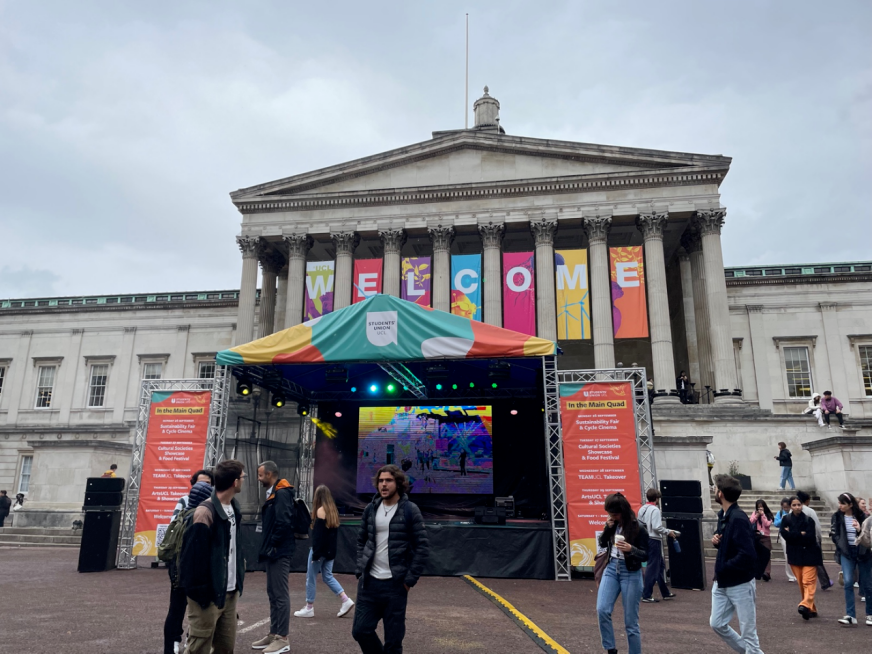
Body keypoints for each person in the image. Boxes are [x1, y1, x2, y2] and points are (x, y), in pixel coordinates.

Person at [352, 464, 430, 654]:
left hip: (395, 585)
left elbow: (422, 547)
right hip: (369, 584)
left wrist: (409, 580)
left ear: (398, 483)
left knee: (393, 642)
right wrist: (361, 569)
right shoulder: (370, 509)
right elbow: (361, 540)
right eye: (380, 481)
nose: (384, 485)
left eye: (388, 480)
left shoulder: (410, 510)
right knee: (360, 631)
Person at [178, 459, 245, 654]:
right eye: (242, 477)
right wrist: (201, 593)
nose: (243, 480)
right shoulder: (204, 512)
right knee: (199, 647)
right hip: (207, 595)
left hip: (229, 592)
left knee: (226, 647)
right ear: (235, 482)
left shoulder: (234, 507)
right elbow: (191, 559)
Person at [709, 474, 763, 654]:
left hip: (740, 583)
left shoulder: (738, 517)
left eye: (716, 488)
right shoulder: (724, 515)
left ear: (721, 494)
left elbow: (748, 554)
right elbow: (731, 545)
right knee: (716, 623)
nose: (714, 491)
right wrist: (717, 541)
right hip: (722, 580)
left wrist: (724, 566)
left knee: (748, 633)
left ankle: (751, 651)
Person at [164, 471, 213, 654]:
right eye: (201, 483)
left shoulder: (212, 506)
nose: (204, 487)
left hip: (193, 565)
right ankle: (172, 644)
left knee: (198, 610)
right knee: (177, 608)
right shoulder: (185, 502)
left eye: (208, 483)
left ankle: (190, 640)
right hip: (181, 564)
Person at [251, 461, 295, 654]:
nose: (259, 479)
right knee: (273, 592)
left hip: (279, 551)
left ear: (269, 475)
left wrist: (273, 545)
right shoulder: (275, 493)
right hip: (273, 550)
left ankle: (282, 638)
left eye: (260, 475)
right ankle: (274, 633)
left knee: (280, 594)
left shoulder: (282, 493)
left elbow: (283, 522)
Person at [596, 493, 648, 654]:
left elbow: (646, 555)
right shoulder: (612, 524)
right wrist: (607, 528)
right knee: (602, 609)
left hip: (630, 572)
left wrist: (631, 549)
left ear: (622, 512)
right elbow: (602, 543)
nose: (612, 517)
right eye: (609, 514)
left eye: (614, 514)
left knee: (631, 622)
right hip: (612, 568)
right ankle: (610, 649)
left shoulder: (638, 527)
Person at [295, 485, 355, 619]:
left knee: (311, 577)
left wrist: (315, 555)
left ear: (318, 497)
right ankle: (345, 599)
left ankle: (309, 607)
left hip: (319, 551)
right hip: (330, 551)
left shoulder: (320, 511)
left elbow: (318, 536)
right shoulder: (333, 511)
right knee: (327, 576)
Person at [829, 492, 872, 626]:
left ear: (850, 504)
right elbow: (835, 534)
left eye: (843, 503)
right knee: (848, 582)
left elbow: (867, 536)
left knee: (867, 584)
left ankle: (870, 614)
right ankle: (850, 615)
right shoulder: (837, 517)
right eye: (839, 503)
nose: (840, 506)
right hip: (847, 552)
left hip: (863, 551)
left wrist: (859, 530)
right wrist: (841, 545)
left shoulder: (862, 516)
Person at [780, 496, 823, 620]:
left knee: (808, 581)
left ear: (802, 505)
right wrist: (800, 534)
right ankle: (811, 608)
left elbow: (810, 537)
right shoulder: (786, 519)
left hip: (810, 554)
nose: (797, 507)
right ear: (790, 506)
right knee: (801, 583)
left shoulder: (809, 520)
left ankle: (804, 604)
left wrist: (792, 534)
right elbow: (785, 535)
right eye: (794, 505)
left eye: (799, 505)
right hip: (794, 554)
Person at [637, 488, 676, 603]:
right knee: (653, 566)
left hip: (645, 538)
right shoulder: (655, 510)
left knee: (659, 565)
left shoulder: (642, 509)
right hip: (654, 539)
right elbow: (656, 527)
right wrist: (668, 531)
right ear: (656, 498)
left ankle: (665, 592)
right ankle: (646, 594)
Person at [797, 490, 833, 590]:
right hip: (811, 539)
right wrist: (819, 538)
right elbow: (817, 527)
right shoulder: (810, 511)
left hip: (799, 540)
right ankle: (824, 582)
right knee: (817, 560)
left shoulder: (793, 511)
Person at [750, 500, 774, 581]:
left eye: (761, 507)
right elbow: (750, 522)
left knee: (767, 554)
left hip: (766, 536)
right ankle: (758, 572)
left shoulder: (768, 514)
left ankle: (767, 573)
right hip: (757, 536)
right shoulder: (755, 513)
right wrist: (756, 515)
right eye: (758, 507)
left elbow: (767, 524)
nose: (760, 509)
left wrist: (763, 515)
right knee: (756, 554)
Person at [773, 498, 796, 582]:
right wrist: (782, 519)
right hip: (784, 535)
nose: (786, 509)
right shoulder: (780, 513)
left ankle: (796, 573)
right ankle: (790, 575)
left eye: (787, 507)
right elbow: (775, 523)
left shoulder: (793, 512)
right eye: (784, 507)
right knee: (787, 555)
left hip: (794, 534)